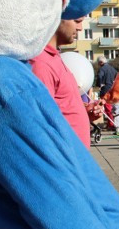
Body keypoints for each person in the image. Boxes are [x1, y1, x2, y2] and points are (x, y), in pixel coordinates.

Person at [30, 17, 91, 148]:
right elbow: (41, 123)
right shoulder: (41, 63)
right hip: (64, 161)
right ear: (57, 16)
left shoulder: (53, 58)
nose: (80, 28)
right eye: (77, 21)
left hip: (74, 160)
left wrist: (85, 114)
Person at [97, 55, 119, 129]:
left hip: (105, 90)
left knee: (107, 108)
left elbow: (100, 76)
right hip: (113, 89)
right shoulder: (112, 68)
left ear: (100, 62)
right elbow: (117, 75)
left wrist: (100, 84)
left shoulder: (102, 69)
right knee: (114, 108)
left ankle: (111, 124)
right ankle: (113, 123)